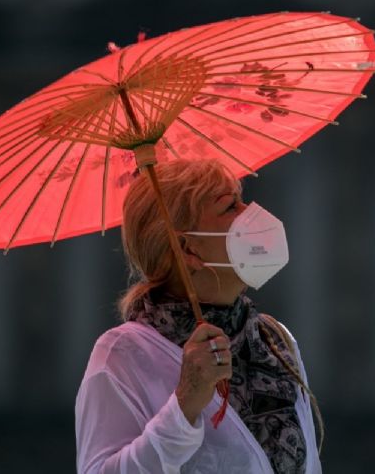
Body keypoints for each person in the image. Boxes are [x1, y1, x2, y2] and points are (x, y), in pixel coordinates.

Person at [75, 158, 323, 474]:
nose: (251, 213)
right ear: (187, 249)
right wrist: (184, 405)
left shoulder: (274, 340)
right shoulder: (122, 354)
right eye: (230, 207)